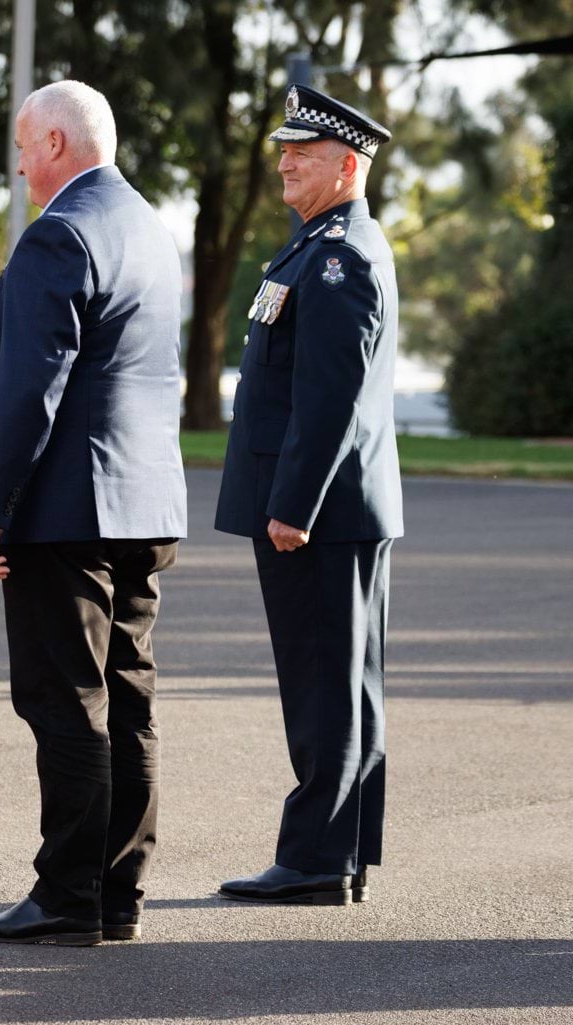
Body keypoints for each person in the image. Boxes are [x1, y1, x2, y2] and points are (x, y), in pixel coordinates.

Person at [0, 81, 186, 946]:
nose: (19, 162)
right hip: (142, 503)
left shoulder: (58, 231)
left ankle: (64, 896)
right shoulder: (144, 225)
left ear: (56, 141)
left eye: (23, 145)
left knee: (66, 703)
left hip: (66, 510)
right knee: (128, 701)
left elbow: (36, 386)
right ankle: (116, 892)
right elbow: (85, 350)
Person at [211, 84, 403, 906]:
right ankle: (341, 850)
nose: (285, 160)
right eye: (284, 148)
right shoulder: (320, 244)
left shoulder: (338, 256)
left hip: (318, 513)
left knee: (325, 681)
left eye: (304, 151)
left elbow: (330, 397)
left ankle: (317, 857)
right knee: (343, 680)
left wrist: (293, 504)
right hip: (335, 507)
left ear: (348, 163)